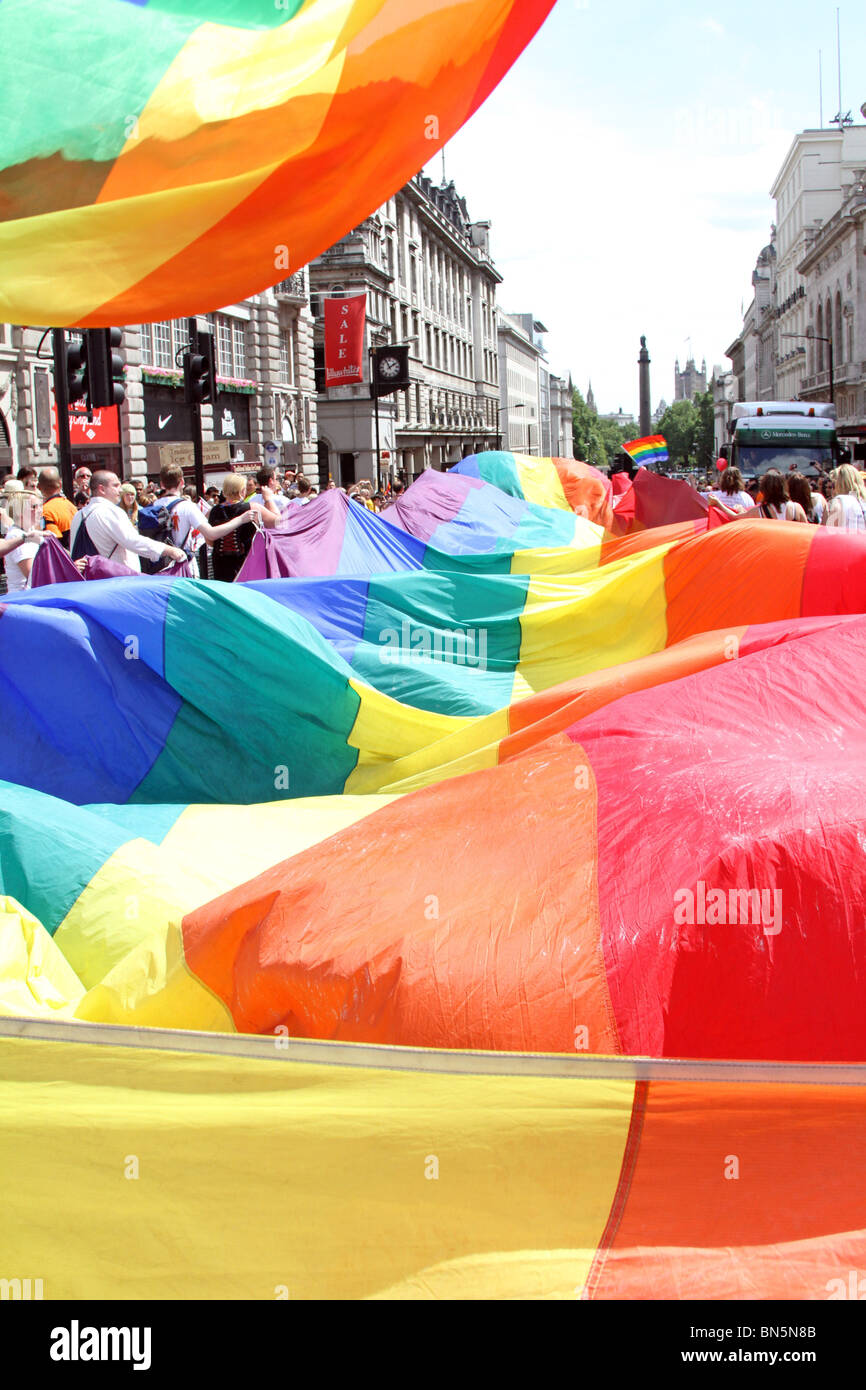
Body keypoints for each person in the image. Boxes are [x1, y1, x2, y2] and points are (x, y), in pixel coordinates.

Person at [149, 463, 268, 576]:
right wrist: (240, 520)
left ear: (162, 484)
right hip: (183, 566)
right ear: (182, 482)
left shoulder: (153, 507)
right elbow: (211, 534)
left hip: (158, 567)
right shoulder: (187, 506)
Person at [69, 470, 187, 571]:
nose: (120, 490)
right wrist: (168, 550)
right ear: (102, 489)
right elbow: (133, 541)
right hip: (116, 583)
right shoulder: (110, 511)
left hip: (88, 584)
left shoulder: (78, 515)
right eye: (115, 486)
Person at [207, 473, 266, 581]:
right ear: (242, 490)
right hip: (245, 563)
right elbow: (277, 521)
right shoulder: (252, 507)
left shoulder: (213, 511)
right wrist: (269, 499)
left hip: (220, 565)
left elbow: (210, 541)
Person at [0, 481, 41, 591]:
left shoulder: (28, 531)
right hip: (22, 601)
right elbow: (34, 576)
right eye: (34, 507)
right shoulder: (17, 535)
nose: (39, 510)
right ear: (20, 511)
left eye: (40, 506)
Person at [37, 467, 77, 548]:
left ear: (39, 486)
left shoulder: (45, 511)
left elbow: (53, 542)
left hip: (63, 557)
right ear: (60, 484)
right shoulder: (71, 506)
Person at [826, 464, 866, 531]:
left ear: (838, 485)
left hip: (846, 540)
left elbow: (830, 532)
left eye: (833, 485)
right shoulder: (863, 501)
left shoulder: (840, 501)